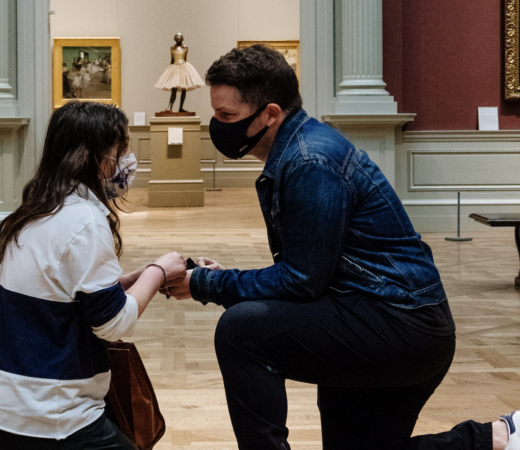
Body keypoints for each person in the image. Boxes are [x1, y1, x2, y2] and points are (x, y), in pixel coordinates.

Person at [165, 44, 519, 450]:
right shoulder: (300, 148)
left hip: (401, 326)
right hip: (379, 315)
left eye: (226, 116)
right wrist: (218, 277)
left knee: (241, 330)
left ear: (270, 113)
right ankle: (497, 437)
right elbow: (310, 269)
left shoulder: (309, 160)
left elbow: (301, 282)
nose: (217, 125)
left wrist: (207, 283)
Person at [0, 101, 187, 450]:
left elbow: (65, 294)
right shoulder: (85, 221)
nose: (127, 161)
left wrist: (135, 279)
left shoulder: (36, 209)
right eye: (120, 150)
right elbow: (114, 324)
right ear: (90, 158)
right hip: (45, 417)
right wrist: (159, 270)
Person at [154, 33, 204, 113]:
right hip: (175, 67)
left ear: (182, 39)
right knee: (174, 88)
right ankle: (170, 106)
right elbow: (172, 60)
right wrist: (170, 72)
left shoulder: (185, 48)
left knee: (184, 89)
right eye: (177, 38)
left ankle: (181, 108)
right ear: (175, 39)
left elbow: (185, 58)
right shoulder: (172, 48)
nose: (178, 39)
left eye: (179, 38)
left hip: (184, 67)